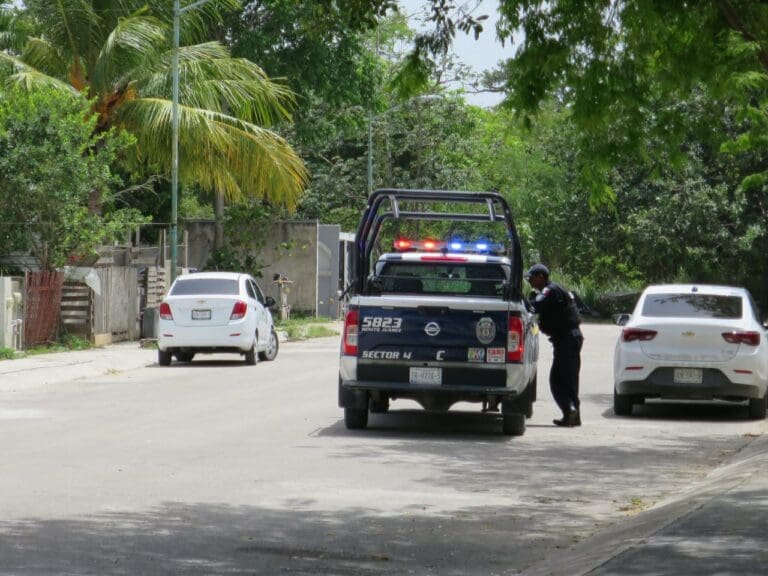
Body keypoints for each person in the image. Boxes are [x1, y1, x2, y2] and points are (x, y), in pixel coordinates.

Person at [525, 264, 583, 427]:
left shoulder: (549, 290)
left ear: (541, 276)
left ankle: (570, 410)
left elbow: (534, 306)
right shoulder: (555, 289)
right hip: (568, 339)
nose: (529, 280)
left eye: (532, 277)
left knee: (558, 380)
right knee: (569, 378)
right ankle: (572, 414)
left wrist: (526, 300)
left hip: (567, 339)